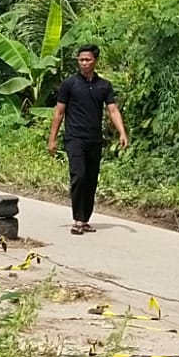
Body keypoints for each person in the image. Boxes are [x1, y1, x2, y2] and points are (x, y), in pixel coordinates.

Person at [47, 45, 129, 236]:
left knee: (91, 179)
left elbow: (113, 110)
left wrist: (122, 133)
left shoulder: (104, 86)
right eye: (81, 60)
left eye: (88, 60)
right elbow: (59, 112)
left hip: (94, 139)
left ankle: (85, 219)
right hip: (74, 138)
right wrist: (52, 139)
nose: (84, 63)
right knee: (79, 175)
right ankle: (77, 219)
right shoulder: (69, 84)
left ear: (95, 61)